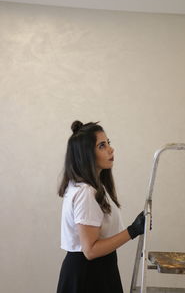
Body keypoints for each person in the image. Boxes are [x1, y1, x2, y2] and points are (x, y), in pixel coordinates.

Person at [56, 120, 145, 293]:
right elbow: (90, 251)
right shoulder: (85, 192)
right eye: (102, 146)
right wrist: (133, 230)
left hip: (97, 270)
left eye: (108, 143)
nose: (111, 150)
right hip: (89, 275)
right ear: (86, 154)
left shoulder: (89, 187)